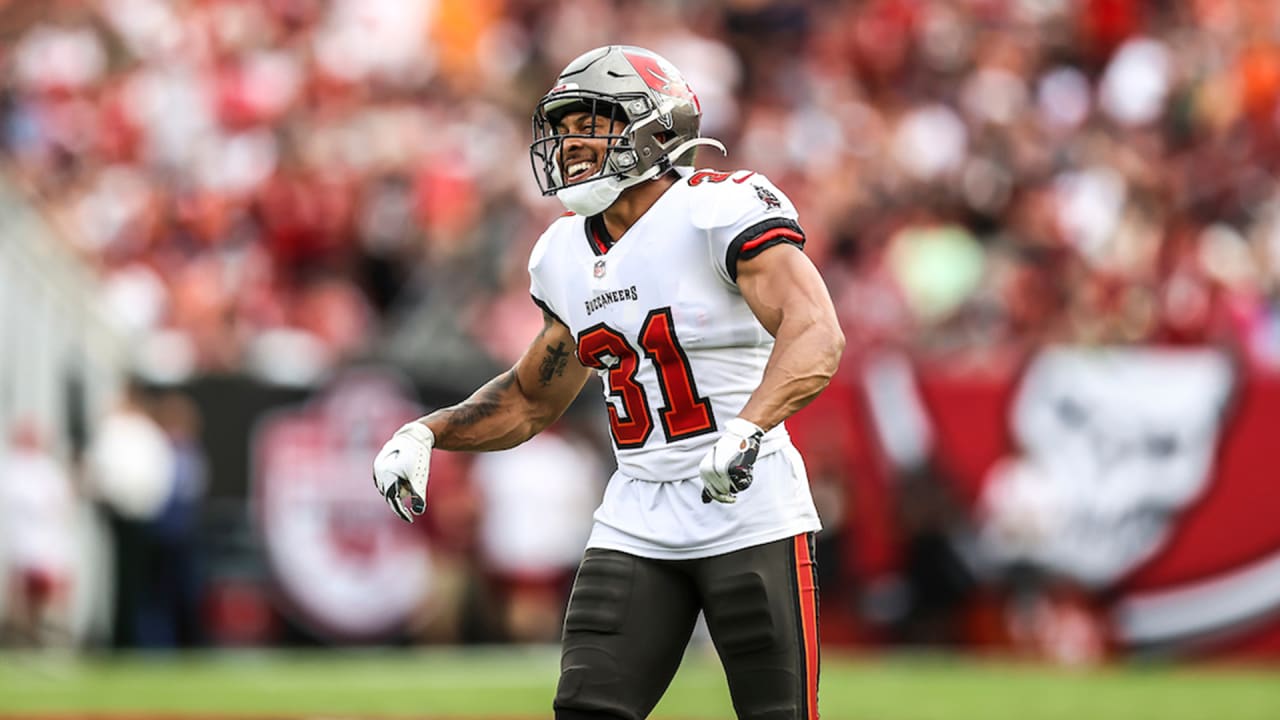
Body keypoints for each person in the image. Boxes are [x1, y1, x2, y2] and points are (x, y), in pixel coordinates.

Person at [372, 45, 844, 720]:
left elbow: (816, 332)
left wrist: (749, 426)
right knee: (588, 710)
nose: (569, 145)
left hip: (751, 507)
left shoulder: (719, 210)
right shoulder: (563, 253)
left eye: (588, 123)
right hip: (638, 515)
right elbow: (533, 398)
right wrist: (428, 431)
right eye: (561, 129)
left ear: (656, 127)